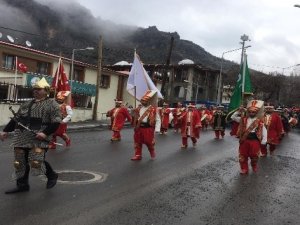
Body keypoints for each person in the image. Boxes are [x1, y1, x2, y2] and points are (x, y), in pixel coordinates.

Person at [0, 78, 61, 194]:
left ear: (46, 90)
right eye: (34, 89)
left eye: (39, 89)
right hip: (22, 136)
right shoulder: (26, 104)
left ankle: (52, 175)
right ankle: (22, 185)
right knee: (20, 162)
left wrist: (45, 133)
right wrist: (5, 131)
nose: (36, 91)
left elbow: (56, 121)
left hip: (39, 137)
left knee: (36, 160)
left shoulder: (52, 104)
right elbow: (16, 120)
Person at [236, 100, 267, 174]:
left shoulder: (259, 121)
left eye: (253, 112)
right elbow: (233, 117)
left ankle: (254, 165)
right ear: (248, 112)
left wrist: (264, 141)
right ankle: (244, 169)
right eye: (250, 112)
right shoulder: (243, 119)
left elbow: (264, 131)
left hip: (255, 140)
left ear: (256, 113)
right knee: (243, 155)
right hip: (245, 140)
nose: (251, 113)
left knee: (254, 155)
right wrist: (239, 110)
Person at [131, 90, 161, 160]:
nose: (143, 102)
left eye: (144, 101)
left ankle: (151, 150)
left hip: (148, 128)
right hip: (139, 127)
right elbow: (134, 116)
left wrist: (157, 129)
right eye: (142, 101)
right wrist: (133, 113)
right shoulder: (139, 108)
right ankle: (138, 155)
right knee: (137, 142)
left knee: (148, 142)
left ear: (148, 101)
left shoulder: (153, 109)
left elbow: (158, 119)